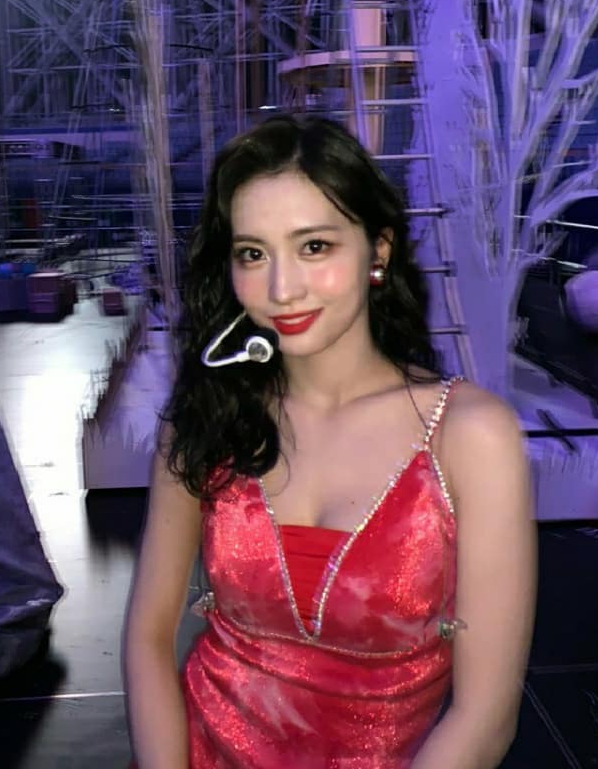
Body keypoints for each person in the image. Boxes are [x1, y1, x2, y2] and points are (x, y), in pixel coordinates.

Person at [124, 115, 537, 768]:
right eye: (253, 253)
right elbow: (149, 636)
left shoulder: (468, 436)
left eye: (314, 246)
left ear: (378, 251)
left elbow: (485, 719)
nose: (282, 289)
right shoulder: (207, 418)